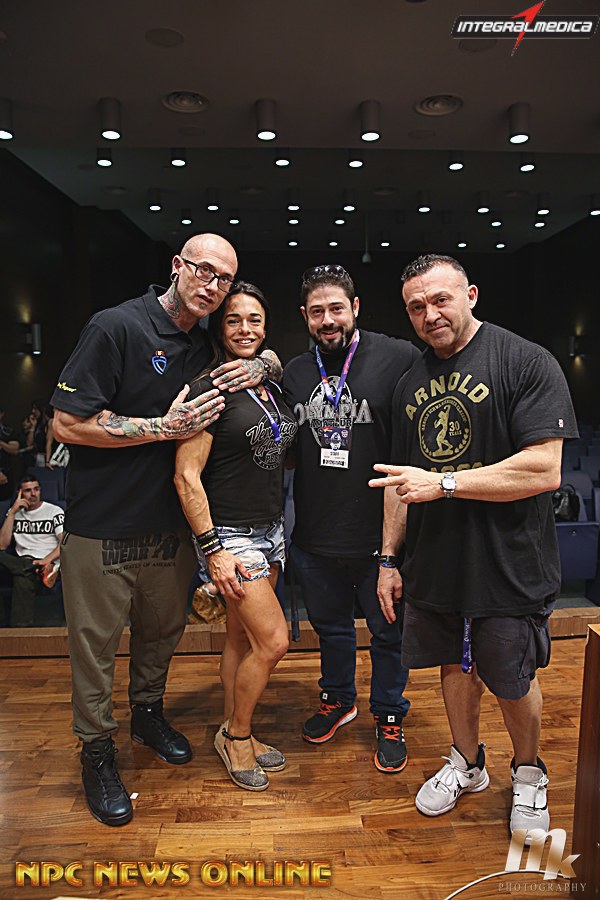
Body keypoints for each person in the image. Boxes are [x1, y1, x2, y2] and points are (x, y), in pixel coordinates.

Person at [51, 233, 282, 826]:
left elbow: (264, 354)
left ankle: (147, 716)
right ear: (178, 267)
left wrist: (261, 363)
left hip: (170, 527)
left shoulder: (203, 339)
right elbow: (66, 425)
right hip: (102, 523)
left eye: (224, 278)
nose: (213, 285)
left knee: (161, 635)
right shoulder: (116, 327)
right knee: (95, 650)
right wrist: (161, 427)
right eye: (204, 270)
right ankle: (97, 751)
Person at [370, 253, 577, 836]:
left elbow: (543, 469)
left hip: (508, 563)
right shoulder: (410, 383)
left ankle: (529, 773)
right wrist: (388, 559)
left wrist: (445, 483)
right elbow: (399, 481)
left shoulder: (525, 361)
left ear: (471, 295)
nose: (429, 314)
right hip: (436, 562)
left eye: (440, 299)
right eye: (416, 306)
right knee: (453, 667)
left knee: (511, 677)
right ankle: (466, 762)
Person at [283, 264, 419, 773]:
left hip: (378, 537)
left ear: (355, 308)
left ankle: (389, 713)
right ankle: (339, 699)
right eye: (316, 312)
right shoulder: (295, 373)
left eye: (336, 309)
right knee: (332, 629)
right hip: (316, 536)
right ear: (304, 316)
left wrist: (392, 553)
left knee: (388, 635)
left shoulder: (399, 357)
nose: (327, 320)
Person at [175, 282, 297, 792]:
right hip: (230, 536)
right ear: (218, 328)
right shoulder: (210, 387)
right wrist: (214, 550)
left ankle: (231, 726)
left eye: (254, 319)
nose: (245, 329)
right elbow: (186, 476)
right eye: (233, 320)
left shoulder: (267, 384)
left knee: (239, 638)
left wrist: (268, 364)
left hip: (271, 528)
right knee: (274, 641)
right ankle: (238, 736)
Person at [0, 475, 63, 626]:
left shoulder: (53, 511)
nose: (33, 494)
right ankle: (29, 568)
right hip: (23, 561)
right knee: (24, 568)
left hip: (47, 562)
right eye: (28, 490)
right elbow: (2, 545)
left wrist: (45, 560)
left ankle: (19, 632)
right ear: (20, 493)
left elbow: (65, 543)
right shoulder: (15, 513)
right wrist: (12, 513)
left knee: (22, 579)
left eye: (36, 489)